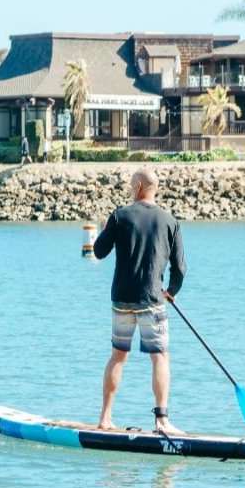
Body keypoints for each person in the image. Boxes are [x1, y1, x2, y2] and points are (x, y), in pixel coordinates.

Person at [93, 169, 187, 434]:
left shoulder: (119, 216)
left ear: (138, 185)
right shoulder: (170, 221)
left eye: (130, 183)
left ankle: (105, 418)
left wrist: (104, 231)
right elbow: (180, 267)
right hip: (152, 299)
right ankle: (161, 421)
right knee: (160, 357)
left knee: (118, 357)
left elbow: (99, 252)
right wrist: (172, 290)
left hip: (122, 298)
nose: (129, 186)